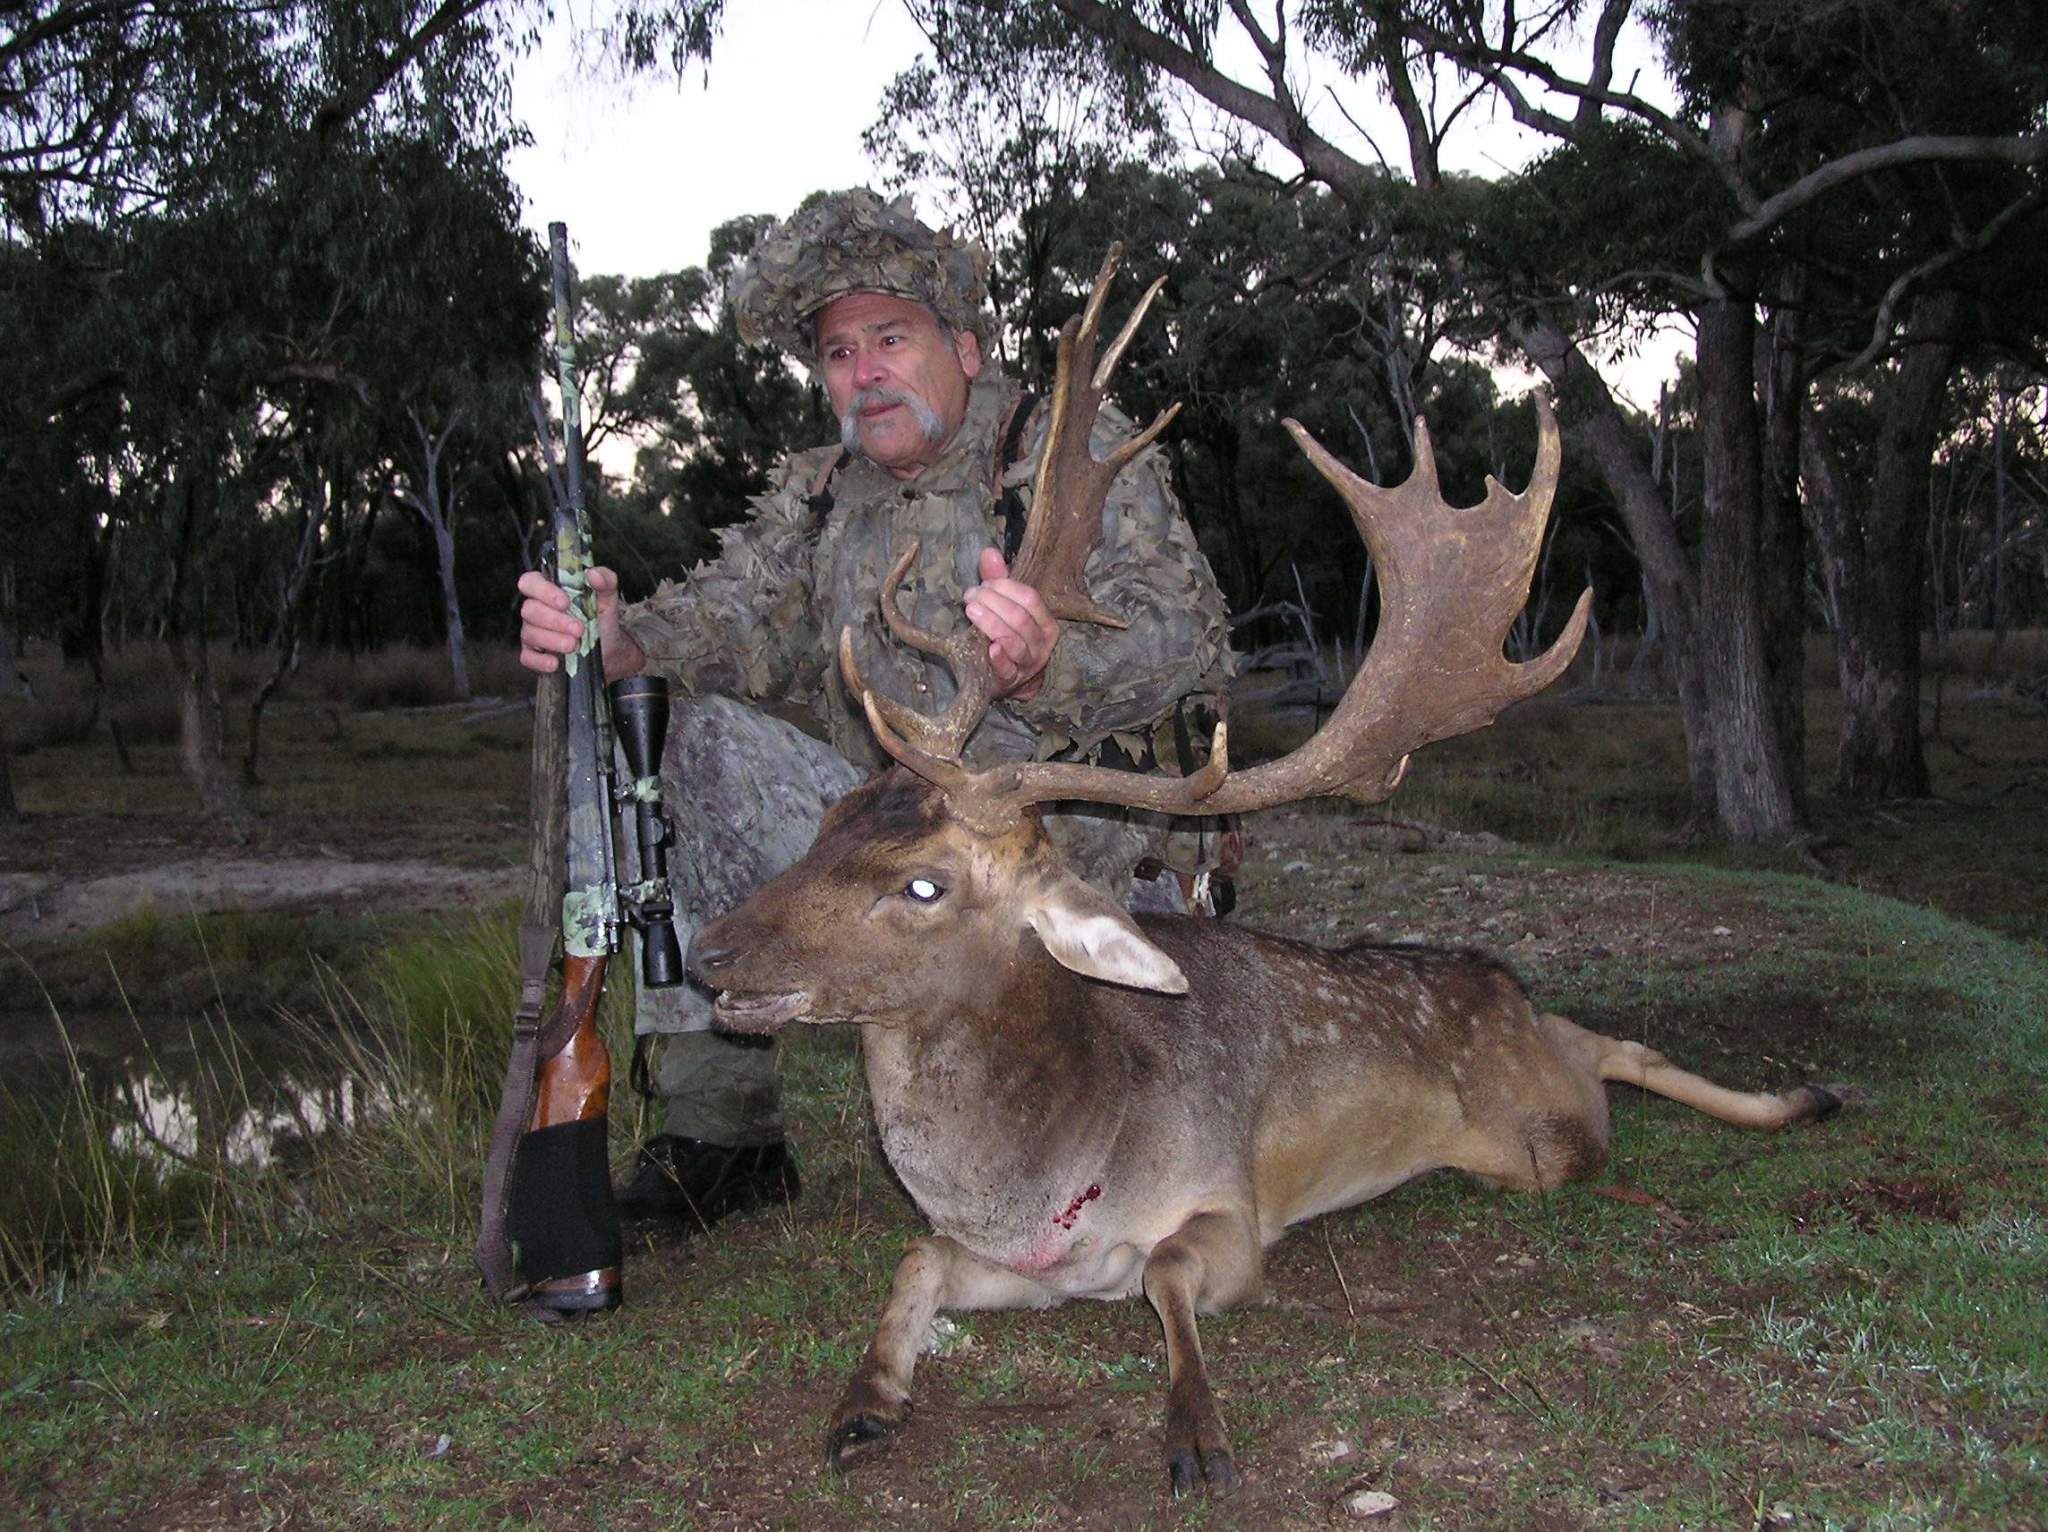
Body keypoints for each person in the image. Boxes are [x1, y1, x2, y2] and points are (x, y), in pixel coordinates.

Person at [517, 189, 1233, 1232]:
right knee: (668, 729)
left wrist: (1048, 660)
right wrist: (620, 640)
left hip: (1060, 851)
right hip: (890, 844)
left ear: (967, 348)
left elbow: (1189, 639)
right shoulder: (816, 496)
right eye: (839, 354)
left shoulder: (1063, 453)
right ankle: (722, 1133)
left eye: (889, 338)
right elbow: (724, 625)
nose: (865, 372)